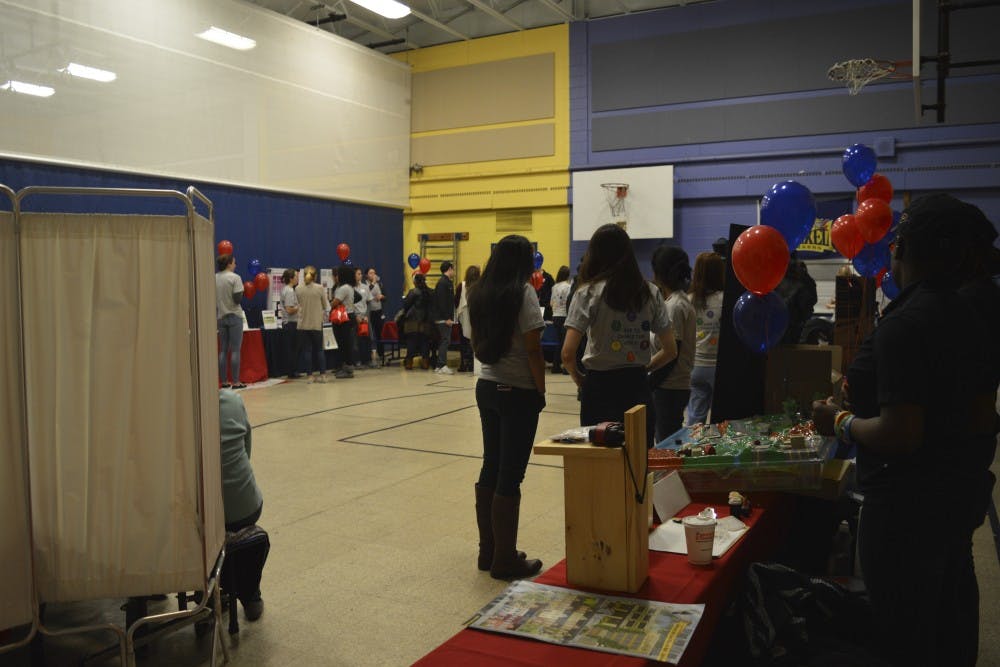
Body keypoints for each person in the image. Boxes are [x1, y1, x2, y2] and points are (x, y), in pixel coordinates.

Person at [811, 194, 999, 667]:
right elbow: (981, 416)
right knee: (948, 622)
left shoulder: (907, 324)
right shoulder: (972, 315)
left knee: (903, 636)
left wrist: (840, 421)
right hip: (956, 497)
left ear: (905, 250)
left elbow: (901, 433)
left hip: (903, 512)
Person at [468, 234, 546, 580]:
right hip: (518, 389)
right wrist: (540, 390)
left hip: (487, 386)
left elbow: (473, 342)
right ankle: (504, 559)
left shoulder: (479, 292)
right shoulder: (523, 292)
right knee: (511, 473)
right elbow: (533, 348)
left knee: (491, 465)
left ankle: (488, 552)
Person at [561, 224, 676, 445]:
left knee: (599, 463)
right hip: (637, 386)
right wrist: (645, 368)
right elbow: (670, 351)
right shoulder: (650, 292)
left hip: (598, 388)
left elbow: (567, 354)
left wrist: (580, 380)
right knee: (639, 461)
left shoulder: (587, 293)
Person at [219, 388, 265, 620]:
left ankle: (212, 591)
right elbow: (246, 450)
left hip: (203, 513)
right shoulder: (233, 400)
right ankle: (250, 594)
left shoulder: (175, 411)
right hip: (245, 506)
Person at [649, 246, 695, 442]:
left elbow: (671, 354)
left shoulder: (674, 306)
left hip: (669, 387)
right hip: (671, 387)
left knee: (665, 446)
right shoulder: (676, 302)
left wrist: (647, 375)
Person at [686, 252, 725, 425]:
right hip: (718, 367)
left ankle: (691, 448)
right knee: (722, 420)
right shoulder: (725, 299)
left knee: (695, 418)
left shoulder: (688, 300)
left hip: (695, 367)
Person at [215, 254, 246, 389]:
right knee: (235, 350)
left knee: (223, 350)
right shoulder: (235, 278)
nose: (235, 265)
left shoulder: (214, 277)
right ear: (229, 264)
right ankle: (236, 381)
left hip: (220, 316)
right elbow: (237, 299)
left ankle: (224, 381)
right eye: (234, 263)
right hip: (234, 315)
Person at [294, 265, 330, 383]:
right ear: (315, 276)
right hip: (316, 324)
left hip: (303, 325)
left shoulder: (298, 288)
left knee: (307, 351)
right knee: (319, 350)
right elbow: (325, 305)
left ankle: (309, 376)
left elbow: (298, 304)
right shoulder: (320, 288)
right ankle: (323, 375)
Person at [774, 254, 817, 344]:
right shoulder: (803, 276)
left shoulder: (775, 275)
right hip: (797, 325)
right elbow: (812, 299)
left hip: (777, 326)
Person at [330, 265, 357, 379]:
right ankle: (346, 367)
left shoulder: (343, 288)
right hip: (349, 316)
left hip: (343, 318)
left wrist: (329, 302)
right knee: (346, 343)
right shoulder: (350, 287)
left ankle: (348, 369)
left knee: (344, 343)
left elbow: (334, 302)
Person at [401, 273, 431, 370]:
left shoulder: (413, 292)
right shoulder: (429, 292)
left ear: (415, 282)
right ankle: (425, 363)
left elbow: (406, 305)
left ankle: (409, 363)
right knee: (425, 342)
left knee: (411, 342)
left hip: (412, 321)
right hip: (425, 321)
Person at [431, 261, 456, 374]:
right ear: (449, 269)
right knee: (445, 341)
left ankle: (439, 365)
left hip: (443, 317)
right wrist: (447, 318)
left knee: (444, 341)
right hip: (443, 318)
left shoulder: (446, 282)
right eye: (453, 269)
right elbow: (442, 302)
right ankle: (441, 365)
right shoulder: (443, 283)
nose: (454, 272)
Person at [455, 265, 481, 373]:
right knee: (475, 341)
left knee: (463, 341)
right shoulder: (480, 286)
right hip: (476, 316)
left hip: (463, 316)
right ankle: (473, 364)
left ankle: (463, 363)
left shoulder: (461, 285)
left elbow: (456, 301)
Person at [280, 268, 301, 379]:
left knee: (293, 349)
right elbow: (289, 309)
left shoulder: (287, 289)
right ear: (291, 278)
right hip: (291, 323)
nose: (298, 278)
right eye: (296, 276)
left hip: (289, 323)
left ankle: (293, 371)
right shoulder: (289, 291)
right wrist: (300, 307)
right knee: (293, 349)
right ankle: (292, 372)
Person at [549, 266, 571, 374]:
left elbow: (551, 303)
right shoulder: (568, 286)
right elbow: (569, 301)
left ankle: (556, 365)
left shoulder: (554, 287)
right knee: (565, 343)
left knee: (559, 342)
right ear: (567, 275)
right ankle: (565, 368)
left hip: (555, 316)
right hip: (564, 315)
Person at [353, 267, 373, 370]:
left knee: (367, 339)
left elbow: (369, 302)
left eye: (360, 274)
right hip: (355, 317)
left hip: (365, 317)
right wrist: (356, 316)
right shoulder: (350, 288)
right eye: (358, 274)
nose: (359, 276)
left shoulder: (365, 287)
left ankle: (368, 360)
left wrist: (366, 315)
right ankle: (358, 361)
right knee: (356, 340)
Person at [366, 267, 386, 367]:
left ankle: (381, 354)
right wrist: (373, 283)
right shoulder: (365, 285)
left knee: (380, 333)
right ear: (367, 275)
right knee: (371, 334)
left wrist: (382, 297)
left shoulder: (380, 284)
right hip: (370, 312)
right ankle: (370, 355)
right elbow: (366, 293)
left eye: (374, 273)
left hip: (379, 311)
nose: (373, 275)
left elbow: (385, 296)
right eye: (370, 273)